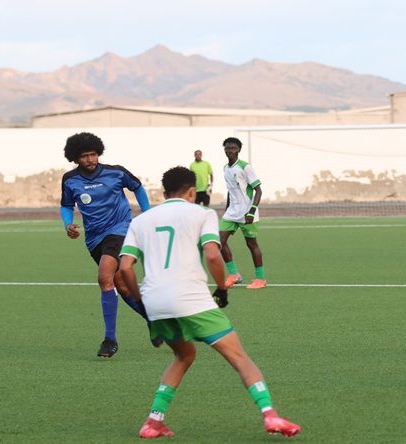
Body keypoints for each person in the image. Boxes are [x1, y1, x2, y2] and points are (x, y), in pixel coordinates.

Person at [118, 166, 300, 439]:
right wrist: (221, 288)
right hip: (191, 300)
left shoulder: (141, 220)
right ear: (192, 192)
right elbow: (213, 256)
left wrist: (141, 300)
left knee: (184, 355)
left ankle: (153, 421)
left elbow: (125, 268)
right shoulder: (202, 213)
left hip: (156, 303)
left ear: (164, 192)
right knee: (240, 358)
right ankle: (270, 415)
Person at [59, 132, 152, 358]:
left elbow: (137, 187)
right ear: (75, 158)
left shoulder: (116, 172)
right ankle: (155, 320)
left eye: (93, 154)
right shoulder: (70, 179)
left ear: (98, 153)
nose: (90, 159)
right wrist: (68, 224)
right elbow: (66, 205)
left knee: (104, 277)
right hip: (94, 238)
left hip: (121, 230)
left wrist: (147, 214)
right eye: (84, 156)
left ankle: (109, 340)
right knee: (120, 284)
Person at [219, 137, 267, 289]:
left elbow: (258, 190)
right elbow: (230, 190)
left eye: (233, 148)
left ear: (239, 150)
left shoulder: (245, 167)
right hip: (232, 212)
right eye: (227, 148)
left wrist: (252, 211)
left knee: (251, 244)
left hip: (247, 212)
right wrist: (227, 209)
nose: (230, 151)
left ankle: (260, 279)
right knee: (219, 241)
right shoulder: (225, 168)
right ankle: (234, 275)